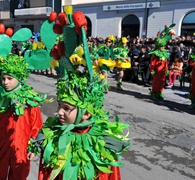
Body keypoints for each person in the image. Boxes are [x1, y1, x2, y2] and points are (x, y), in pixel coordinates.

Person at [32, 7, 130, 180]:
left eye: (66, 108)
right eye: (59, 106)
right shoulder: (53, 137)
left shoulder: (103, 146)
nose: (59, 112)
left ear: (87, 113)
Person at [149, 23, 175, 100]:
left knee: (162, 82)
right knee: (156, 82)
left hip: (163, 71)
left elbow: (166, 62)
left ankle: (160, 92)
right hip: (157, 70)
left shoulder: (165, 53)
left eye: (163, 46)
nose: (162, 48)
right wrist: (152, 70)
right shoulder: (155, 54)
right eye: (161, 46)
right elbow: (153, 63)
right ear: (158, 46)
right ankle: (154, 93)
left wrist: (167, 70)